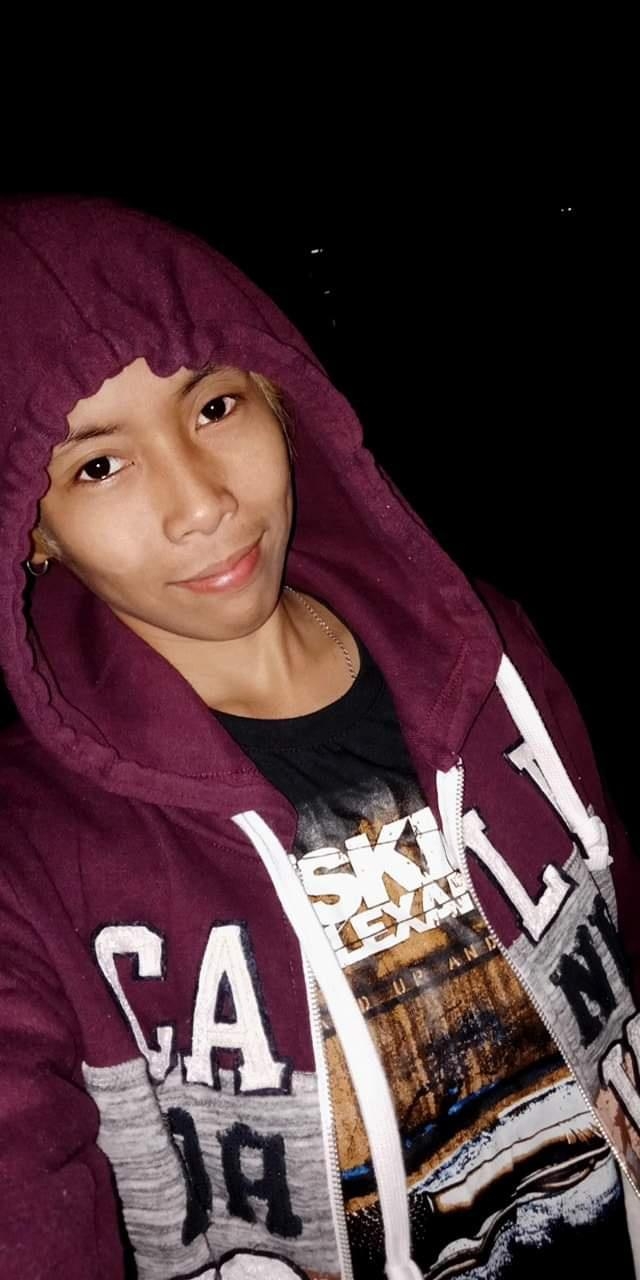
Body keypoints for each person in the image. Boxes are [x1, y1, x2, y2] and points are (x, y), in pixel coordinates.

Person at [0, 196, 639, 1280]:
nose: (201, 503)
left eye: (213, 405)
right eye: (99, 465)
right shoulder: (28, 852)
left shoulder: (485, 660)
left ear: (281, 400)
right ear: (33, 530)